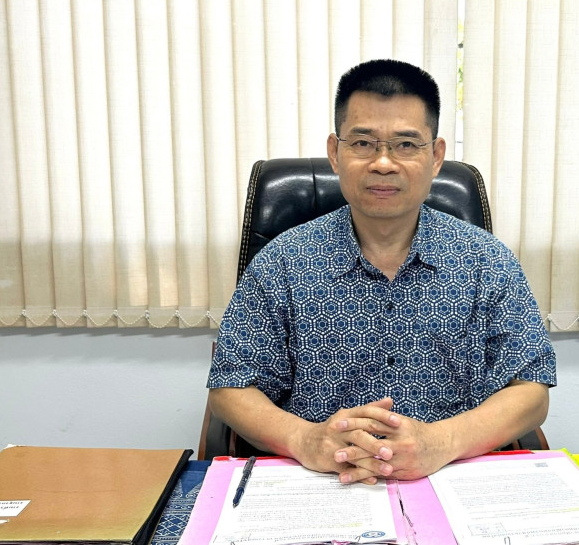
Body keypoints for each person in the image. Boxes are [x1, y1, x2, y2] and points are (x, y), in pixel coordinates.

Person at [207, 59, 556, 485]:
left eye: (406, 144)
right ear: (335, 153)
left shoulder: (488, 261)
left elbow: (530, 390)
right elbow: (230, 387)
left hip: (452, 479)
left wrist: (440, 442)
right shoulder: (282, 262)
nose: (384, 163)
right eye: (363, 143)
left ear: (436, 156)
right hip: (319, 483)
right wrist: (306, 439)